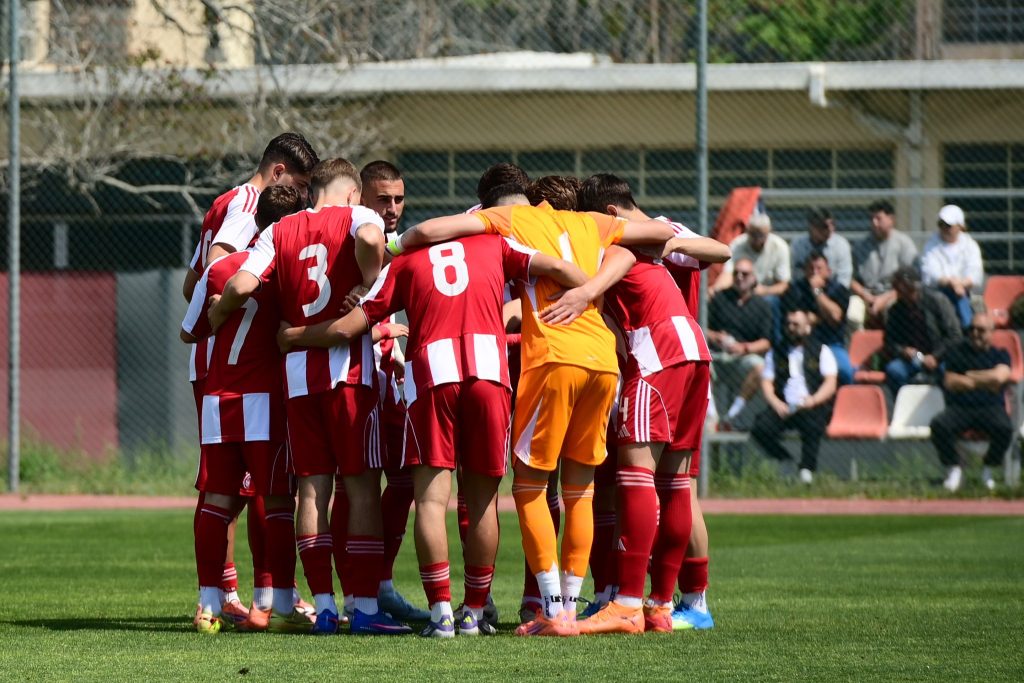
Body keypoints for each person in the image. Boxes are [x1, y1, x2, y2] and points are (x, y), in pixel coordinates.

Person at [388, 182, 676, 637]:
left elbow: (432, 229)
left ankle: (553, 609)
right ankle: (573, 604)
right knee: (580, 491)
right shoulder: (592, 223)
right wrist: (593, 289)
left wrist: (394, 241)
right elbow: (654, 238)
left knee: (528, 488)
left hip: (553, 358)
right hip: (603, 361)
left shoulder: (514, 220)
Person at [279, 223, 586, 638]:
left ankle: (441, 613)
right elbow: (556, 266)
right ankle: (474, 613)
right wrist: (585, 294)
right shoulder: (493, 243)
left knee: (430, 500)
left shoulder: (406, 260)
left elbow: (348, 328)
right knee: (481, 502)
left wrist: (293, 335)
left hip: (433, 374)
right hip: (490, 372)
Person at [208, 158, 412, 636]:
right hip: (348, 375)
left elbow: (240, 282)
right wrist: (367, 282)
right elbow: (368, 239)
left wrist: (223, 310)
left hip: (297, 381)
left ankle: (322, 605)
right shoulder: (356, 217)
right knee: (360, 486)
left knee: (312, 491)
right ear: (349, 193)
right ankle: (362, 607)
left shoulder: (278, 230)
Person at [573, 172, 728, 634]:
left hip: (656, 354)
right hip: (693, 351)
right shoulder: (650, 236)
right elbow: (718, 250)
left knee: (634, 479)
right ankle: (662, 605)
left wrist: (583, 288)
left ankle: (626, 602)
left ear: (610, 215)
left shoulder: (634, 239)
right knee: (678, 487)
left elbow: (718, 249)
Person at [181, 132, 319, 629]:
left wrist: (218, 311)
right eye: (302, 189)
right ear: (279, 176)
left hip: (218, 381)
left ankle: (212, 599)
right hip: (261, 390)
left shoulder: (223, 206)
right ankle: (274, 599)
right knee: (272, 493)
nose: (307, 201)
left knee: (219, 493)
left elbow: (193, 298)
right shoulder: (268, 253)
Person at [329, 159, 428, 624]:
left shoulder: (406, 250)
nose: (392, 209)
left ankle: (380, 582)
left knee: (404, 480)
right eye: (382, 200)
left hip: (395, 380)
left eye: (398, 199)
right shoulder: (352, 246)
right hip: (354, 377)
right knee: (353, 484)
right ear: (359, 200)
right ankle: (352, 591)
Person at [751, 308, 839, 485]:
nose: (791, 328)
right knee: (760, 428)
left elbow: (830, 383)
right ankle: (785, 460)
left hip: (810, 405)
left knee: (814, 425)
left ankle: (806, 470)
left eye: (796, 324)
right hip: (784, 406)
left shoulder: (821, 350)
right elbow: (766, 382)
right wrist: (775, 403)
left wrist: (813, 400)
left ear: (807, 327)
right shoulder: (776, 352)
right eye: (788, 324)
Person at [930, 313, 1014, 493]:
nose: (975, 333)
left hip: (990, 407)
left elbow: (999, 377)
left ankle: (988, 468)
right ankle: (954, 468)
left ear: (992, 332)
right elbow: (950, 381)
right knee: (939, 425)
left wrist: (969, 376)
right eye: (972, 329)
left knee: (1004, 428)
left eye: (981, 330)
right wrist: (986, 379)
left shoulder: (1000, 354)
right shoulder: (957, 353)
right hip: (960, 408)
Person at [707, 257, 772, 427]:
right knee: (699, 365)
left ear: (754, 278)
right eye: (736, 273)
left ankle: (732, 416)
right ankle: (712, 417)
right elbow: (700, 328)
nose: (740, 277)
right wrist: (715, 337)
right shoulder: (720, 298)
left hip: (742, 358)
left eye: (745, 274)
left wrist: (744, 348)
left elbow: (766, 342)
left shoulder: (762, 305)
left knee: (760, 367)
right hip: (716, 355)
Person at [884, 266, 962, 398]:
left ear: (910, 286)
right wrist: (903, 350)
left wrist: (936, 356)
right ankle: (905, 407)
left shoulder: (937, 301)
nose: (896, 290)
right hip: (912, 360)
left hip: (940, 357)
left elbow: (955, 336)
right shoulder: (896, 310)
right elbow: (889, 341)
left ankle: (946, 407)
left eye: (899, 286)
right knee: (894, 370)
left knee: (949, 372)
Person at [782, 251, 853, 385]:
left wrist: (817, 292)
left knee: (845, 371)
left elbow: (835, 317)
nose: (814, 272)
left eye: (819, 269)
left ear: (828, 271)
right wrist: (822, 317)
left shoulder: (839, 290)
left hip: (831, 343)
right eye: (811, 268)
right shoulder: (795, 289)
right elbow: (793, 319)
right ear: (804, 270)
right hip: (801, 344)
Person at [851, 199, 918, 324]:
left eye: (878, 218)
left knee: (894, 311)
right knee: (853, 314)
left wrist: (884, 298)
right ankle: (855, 343)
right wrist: (866, 296)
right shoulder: (860, 246)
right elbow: (851, 279)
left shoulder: (904, 244)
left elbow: (911, 280)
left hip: (894, 295)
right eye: (871, 219)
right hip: (866, 295)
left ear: (891, 219)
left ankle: (893, 343)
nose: (874, 223)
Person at [921, 204, 984, 329]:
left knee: (959, 296)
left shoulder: (970, 245)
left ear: (960, 226)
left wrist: (960, 284)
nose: (944, 228)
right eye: (941, 224)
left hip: (964, 291)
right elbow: (929, 273)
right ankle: (968, 328)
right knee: (954, 295)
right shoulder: (931, 245)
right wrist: (951, 283)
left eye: (948, 225)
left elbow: (975, 273)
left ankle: (964, 330)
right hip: (938, 291)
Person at [791, 207, 853, 288]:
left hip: (832, 290)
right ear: (812, 227)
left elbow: (844, 278)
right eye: (825, 226)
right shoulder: (798, 245)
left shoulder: (841, 245)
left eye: (833, 224)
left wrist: (823, 284)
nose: (831, 229)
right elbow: (793, 274)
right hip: (804, 289)